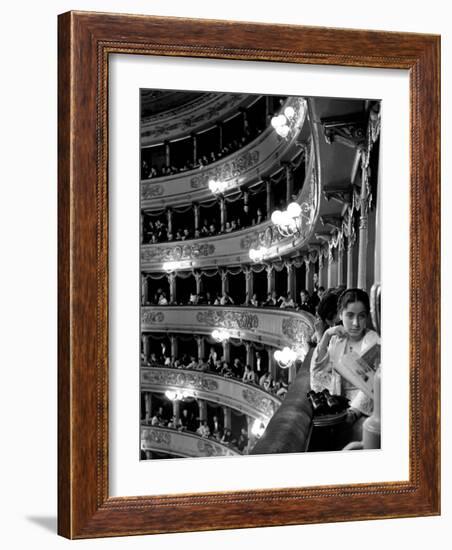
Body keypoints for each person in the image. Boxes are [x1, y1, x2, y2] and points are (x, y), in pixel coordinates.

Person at [310, 288, 380, 422]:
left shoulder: (373, 341)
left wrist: (354, 411)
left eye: (361, 316)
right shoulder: (337, 340)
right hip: (339, 409)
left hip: (365, 415)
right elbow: (317, 376)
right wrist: (326, 335)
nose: (356, 323)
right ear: (340, 315)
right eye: (350, 315)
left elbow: (375, 386)